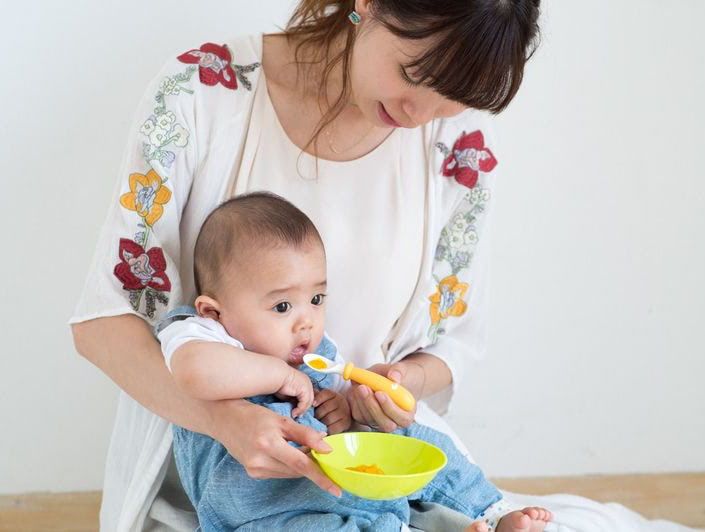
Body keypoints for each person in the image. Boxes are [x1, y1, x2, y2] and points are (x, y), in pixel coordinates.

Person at [70, 1, 542, 530]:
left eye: (452, 98)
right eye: (415, 74)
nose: (420, 115)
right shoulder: (201, 93)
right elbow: (106, 323)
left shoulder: (462, 149)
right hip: (220, 482)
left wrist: (399, 383)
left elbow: (449, 345)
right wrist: (225, 420)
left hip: (366, 468)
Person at [156, 191, 553, 531]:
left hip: (342, 484)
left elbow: (349, 413)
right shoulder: (203, 333)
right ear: (214, 311)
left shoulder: (316, 352)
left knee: (414, 438)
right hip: (262, 507)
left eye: (316, 299)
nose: (305, 321)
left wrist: (349, 410)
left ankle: (493, 509)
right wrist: (278, 374)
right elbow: (193, 373)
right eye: (281, 305)